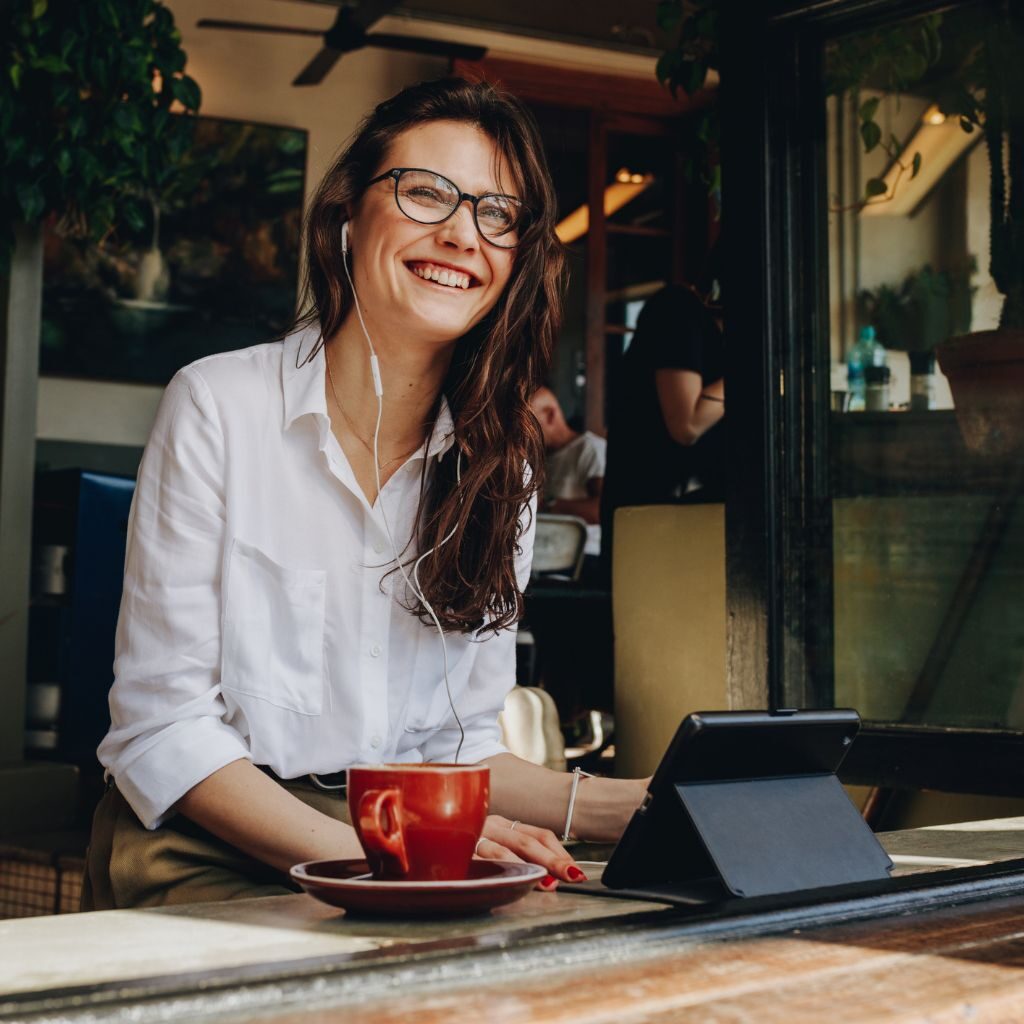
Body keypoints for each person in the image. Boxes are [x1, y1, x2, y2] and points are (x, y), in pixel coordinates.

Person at [83, 78, 647, 910]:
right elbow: (163, 730)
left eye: (498, 213)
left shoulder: (503, 468)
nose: (462, 233)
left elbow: (455, 751)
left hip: (404, 838)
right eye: (426, 193)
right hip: (206, 843)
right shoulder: (218, 405)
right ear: (348, 215)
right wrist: (386, 856)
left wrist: (625, 805)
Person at [600, 271, 725, 579]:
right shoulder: (678, 309)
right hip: (656, 519)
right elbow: (687, 425)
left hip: (678, 517)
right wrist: (753, 367)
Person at [528, 386, 606, 557]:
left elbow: (603, 509)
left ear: (550, 415)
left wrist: (549, 505)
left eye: (530, 425)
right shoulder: (539, 458)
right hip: (544, 555)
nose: (525, 434)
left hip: (582, 558)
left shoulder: (590, 449)